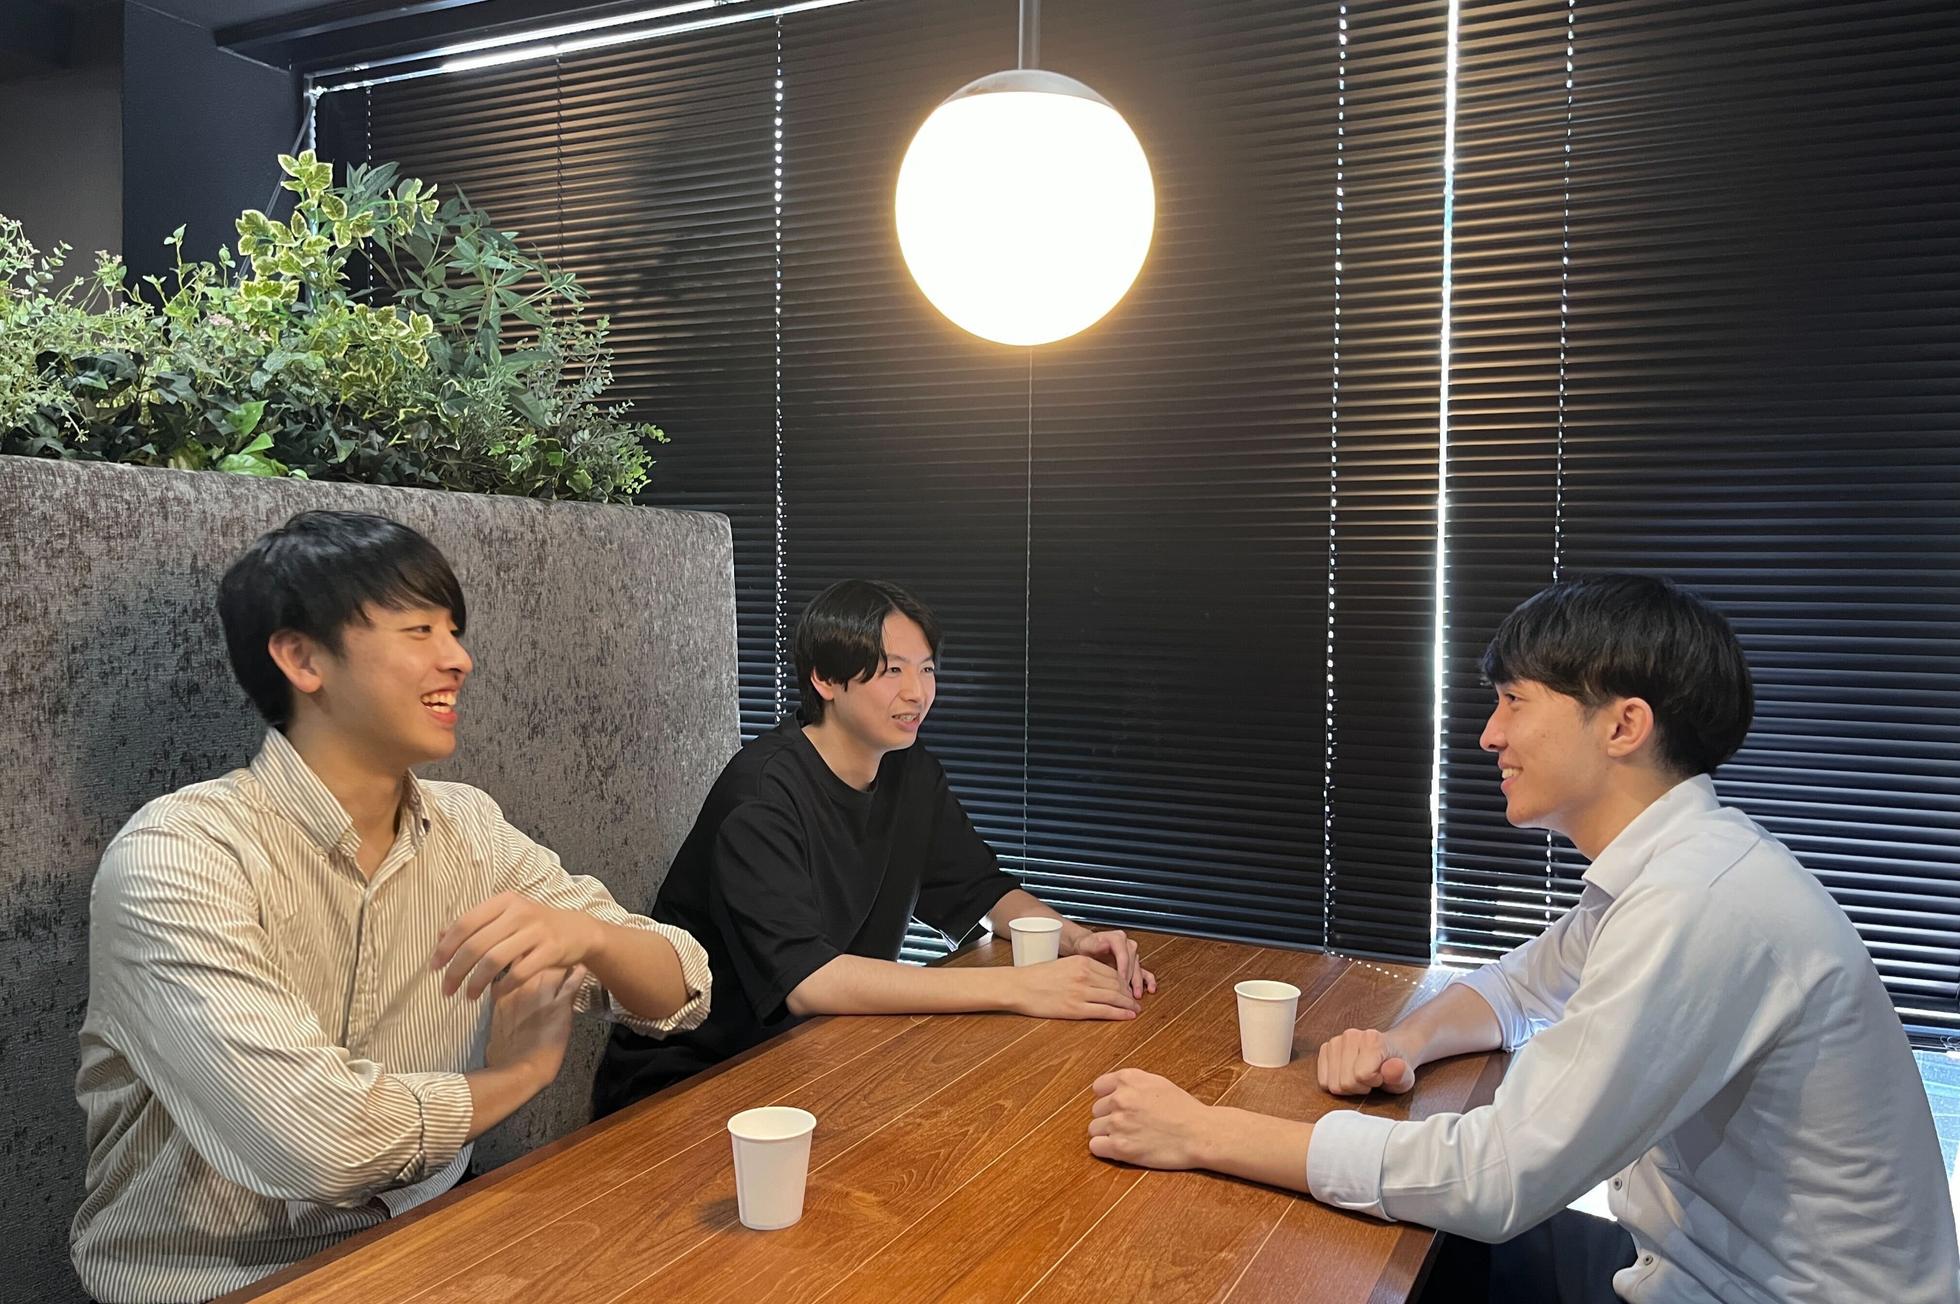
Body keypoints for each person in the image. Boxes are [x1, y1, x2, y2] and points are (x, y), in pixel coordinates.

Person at [1084, 574, 1960, 1303]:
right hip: (1685, 1262)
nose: (1489, 734)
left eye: (1513, 701)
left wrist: (1202, 1132)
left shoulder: (1700, 901)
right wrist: (1402, 1043)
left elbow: (1498, 1177)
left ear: (1623, 726)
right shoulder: (1675, 867)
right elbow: (1515, 988)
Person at [71, 511, 713, 1304]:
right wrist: (519, 1074)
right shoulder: (180, 856)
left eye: (454, 630)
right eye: (419, 630)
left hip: (433, 1237)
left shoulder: (469, 829)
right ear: (302, 658)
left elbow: (684, 988)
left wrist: (589, 937)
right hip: (223, 1278)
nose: (459, 658)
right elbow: (320, 1142)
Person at [593, 578, 1155, 1115]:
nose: (917, 693)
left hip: (821, 1056)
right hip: (694, 1082)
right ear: (825, 680)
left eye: (926, 669)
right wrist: (1019, 987)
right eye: (892, 671)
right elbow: (808, 981)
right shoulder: (760, 796)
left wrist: (1076, 940)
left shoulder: (909, 771)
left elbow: (981, 889)